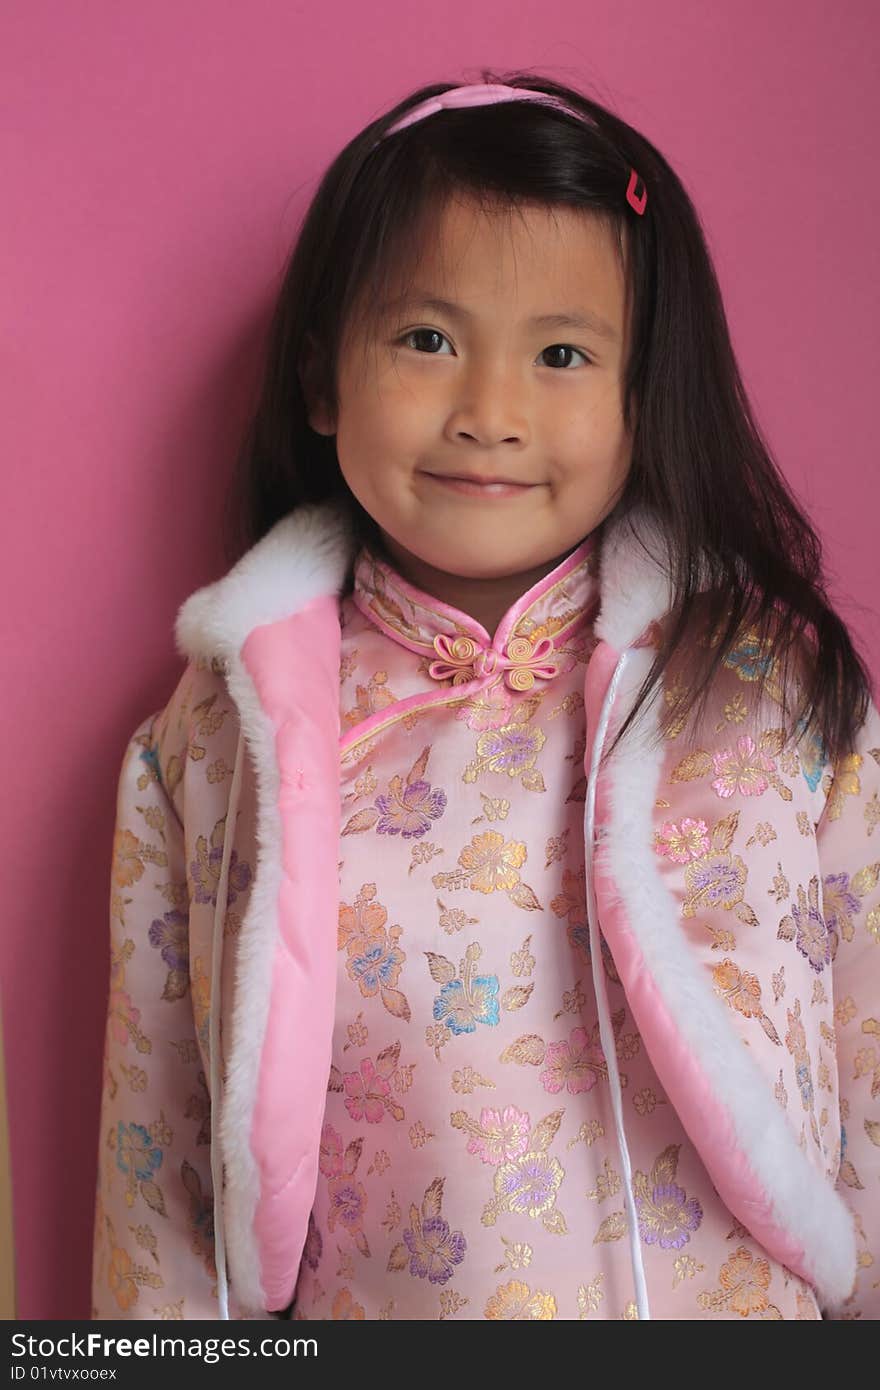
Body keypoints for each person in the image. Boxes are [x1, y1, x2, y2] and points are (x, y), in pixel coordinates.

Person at [90, 70, 880, 1322]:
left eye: (562, 353)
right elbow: (159, 1158)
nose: (490, 414)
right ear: (321, 377)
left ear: (641, 394)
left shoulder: (761, 689)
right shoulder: (212, 738)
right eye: (427, 340)